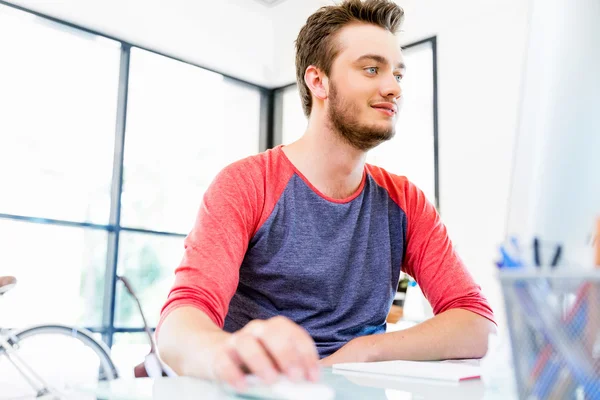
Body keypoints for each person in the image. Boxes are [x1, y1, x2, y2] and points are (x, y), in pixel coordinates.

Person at [157, 0, 496, 391]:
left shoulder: (406, 202)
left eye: (397, 74)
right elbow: (180, 323)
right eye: (372, 69)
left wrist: (366, 349)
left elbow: (477, 323)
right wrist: (224, 353)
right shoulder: (247, 184)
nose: (393, 87)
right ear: (317, 82)